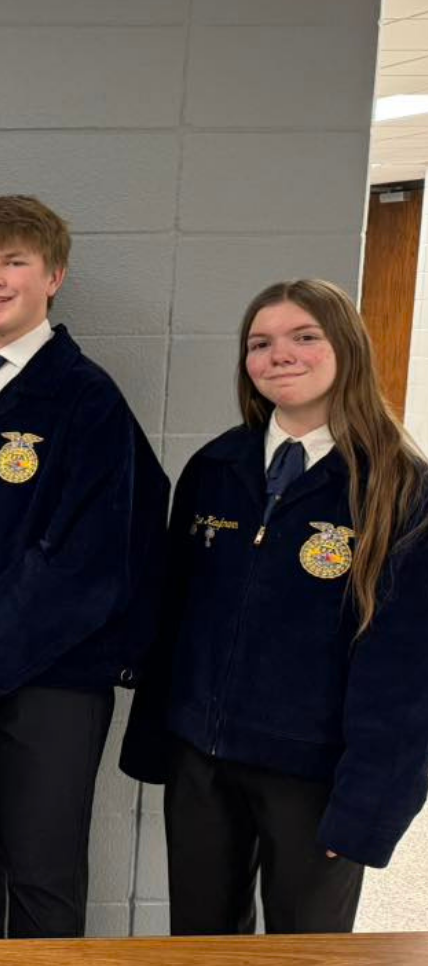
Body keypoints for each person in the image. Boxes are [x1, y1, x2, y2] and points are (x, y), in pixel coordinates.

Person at [0, 195, 168, 939]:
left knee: (43, 879)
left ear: (55, 276)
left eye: (15, 261)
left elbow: (85, 563)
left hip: (49, 685)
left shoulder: (86, 400)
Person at [121, 279, 428, 935]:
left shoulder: (400, 487)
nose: (278, 355)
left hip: (316, 773)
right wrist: (157, 739)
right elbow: (174, 615)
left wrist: (371, 805)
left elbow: (408, 672)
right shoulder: (216, 467)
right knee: (200, 942)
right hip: (202, 759)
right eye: (260, 343)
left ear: (347, 346)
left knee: (305, 948)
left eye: (304, 336)